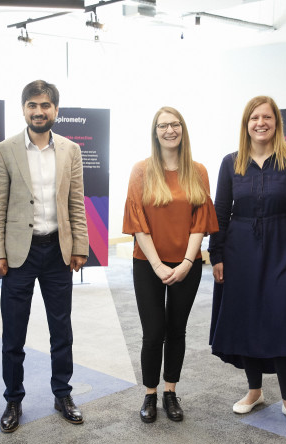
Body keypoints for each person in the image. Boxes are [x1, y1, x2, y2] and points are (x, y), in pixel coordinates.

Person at [208, 96, 286, 430]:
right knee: (247, 320)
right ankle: (254, 391)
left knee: (283, 318)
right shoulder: (231, 162)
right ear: (246, 123)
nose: (260, 123)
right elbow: (220, 211)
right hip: (239, 253)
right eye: (254, 118)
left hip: (281, 249)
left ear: (276, 122)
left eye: (267, 117)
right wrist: (217, 255)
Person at [0, 80, 89, 433]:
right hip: (19, 255)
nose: (39, 111)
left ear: (56, 110)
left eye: (45, 105)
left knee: (62, 330)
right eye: (32, 105)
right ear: (23, 109)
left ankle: (63, 394)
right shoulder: (4, 150)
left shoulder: (70, 150)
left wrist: (80, 246)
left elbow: (76, 200)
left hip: (57, 252)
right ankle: (13, 399)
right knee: (13, 334)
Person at [123, 107, 218, 423]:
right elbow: (137, 222)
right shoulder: (141, 171)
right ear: (155, 131)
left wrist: (189, 261)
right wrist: (158, 265)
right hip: (148, 263)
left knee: (177, 330)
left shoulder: (198, 171)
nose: (170, 130)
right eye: (163, 125)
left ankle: (170, 392)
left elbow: (200, 222)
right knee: (153, 333)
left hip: (187, 265)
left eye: (175, 124)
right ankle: (150, 394)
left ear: (183, 129)